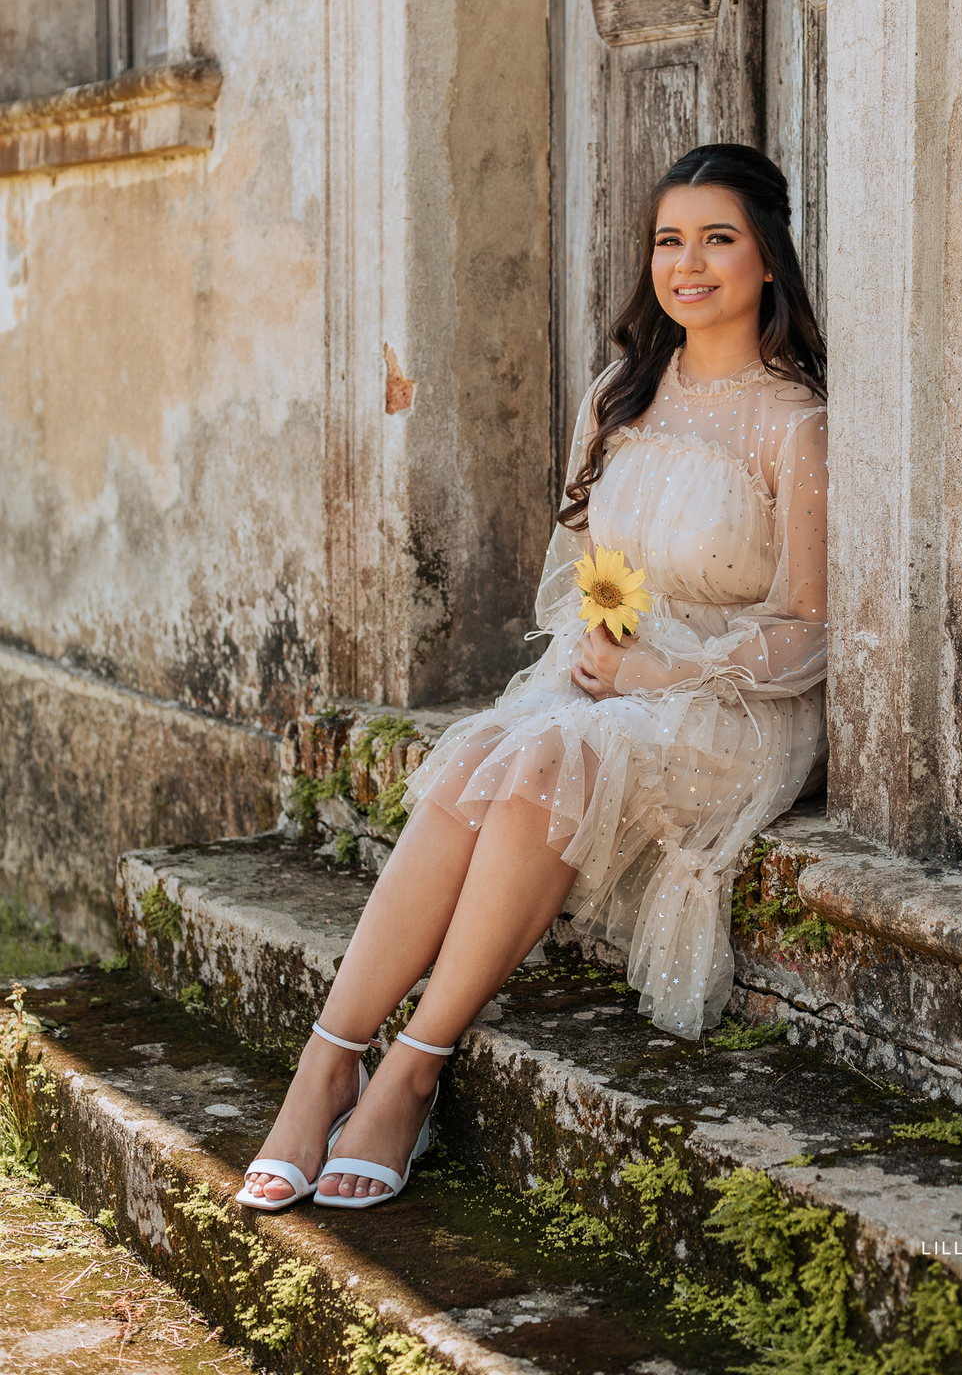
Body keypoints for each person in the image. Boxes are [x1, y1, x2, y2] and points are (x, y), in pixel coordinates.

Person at [239, 143, 828, 1211]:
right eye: (669, 241)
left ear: (768, 258)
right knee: (482, 752)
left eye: (718, 239)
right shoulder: (621, 394)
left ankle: (411, 1072)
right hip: (608, 673)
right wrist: (599, 648)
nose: (688, 264)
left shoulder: (797, 424)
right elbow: (587, 577)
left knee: (548, 759)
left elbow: (814, 629)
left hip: (731, 702)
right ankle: (327, 1061)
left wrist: (667, 667)